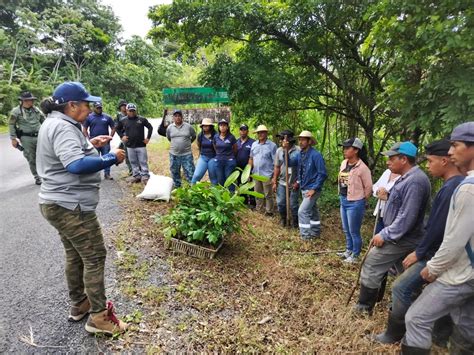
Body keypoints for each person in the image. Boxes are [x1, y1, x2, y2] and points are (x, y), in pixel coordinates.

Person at [37, 81, 128, 335]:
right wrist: (110, 157)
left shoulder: (57, 124)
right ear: (72, 105)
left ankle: (79, 304)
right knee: (95, 255)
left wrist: (93, 145)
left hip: (57, 202)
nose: (91, 107)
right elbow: (75, 165)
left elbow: (71, 154)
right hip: (71, 206)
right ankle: (99, 317)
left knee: (75, 254)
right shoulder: (63, 128)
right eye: (86, 103)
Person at [372, 139, 463, 345]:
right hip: (436, 252)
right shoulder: (450, 185)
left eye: (430, 161)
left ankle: (396, 333)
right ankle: (439, 336)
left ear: (445, 160)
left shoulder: (449, 188)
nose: (428, 166)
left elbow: (436, 228)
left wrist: (419, 253)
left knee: (401, 287)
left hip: (435, 253)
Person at [403, 123, 474, 354]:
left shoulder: (467, 189)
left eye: (455, 145)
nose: (451, 152)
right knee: (466, 325)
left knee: (416, 318)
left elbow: (453, 239)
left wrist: (432, 267)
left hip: (462, 273)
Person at [354, 142, 431, 315]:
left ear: (404, 159)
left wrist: (385, 234)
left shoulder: (415, 181)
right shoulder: (406, 178)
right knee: (405, 273)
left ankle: (364, 308)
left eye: (391, 158)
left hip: (402, 238)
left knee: (372, 263)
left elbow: (407, 217)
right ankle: (403, 308)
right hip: (403, 236)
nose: (388, 162)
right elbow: (401, 207)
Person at [336, 138, 373, 263]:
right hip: (343, 199)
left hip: (355, 202)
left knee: (354, 230)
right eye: (344, 148)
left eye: (347, 148)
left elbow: (368, 187)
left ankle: (355, 255)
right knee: (346, 229)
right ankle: (348, 250)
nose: (344, 150)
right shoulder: (344, 163)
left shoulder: (362, 168)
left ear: (356, 150)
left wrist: (361, 200)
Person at [293, 131, 327, 240]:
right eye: (300, 139)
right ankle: (315, 231)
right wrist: (285, 148)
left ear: (309, 141)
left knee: (302, 211)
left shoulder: (316, 155)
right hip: (304, 187)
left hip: (312, 189)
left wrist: (314, 189)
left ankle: (306, 237)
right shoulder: (300, 154)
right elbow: (290, 161)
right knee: (312, 210)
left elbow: (322, 174)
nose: (301, 142)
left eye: (303, 140)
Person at [8, 91, 45, 185]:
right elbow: (11, 124)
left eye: (32, 100)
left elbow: (44, 121)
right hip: (26, 138)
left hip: (39, 136)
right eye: (30, 100)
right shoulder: (16, 111)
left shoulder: (36, 110)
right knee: (31, 158)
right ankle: (37, 177)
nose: (32, 101)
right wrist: (13, 138)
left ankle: (46, 174)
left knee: (44, 156)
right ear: (24, 100)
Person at [116, 103, 153, 184]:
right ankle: (136, 175)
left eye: (133, 111)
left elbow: (150, 127)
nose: (132, 112)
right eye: (130, 111)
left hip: (141, 145)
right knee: (133, 161)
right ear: (127, 111)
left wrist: (148, 138)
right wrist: (122, 136)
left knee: (143, 161)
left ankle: (145, 175)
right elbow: (117, 128)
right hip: (130, 145)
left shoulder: (142, 119)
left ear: (136, 111)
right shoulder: (123, 120)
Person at [272, 130, 300, 227]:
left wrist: (298, 181)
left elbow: (301, 168)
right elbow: (277, 167)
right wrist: (274, 181)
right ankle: (283, 219)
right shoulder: (279, 151)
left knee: (293, 204)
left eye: (282, 138)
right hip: (282, 182)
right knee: (280, 203)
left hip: (294, 182)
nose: (280, 140)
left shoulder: (298, 151)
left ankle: (295, 223)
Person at [82, 102, 116, 180]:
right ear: (94, 108)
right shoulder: (89, 117)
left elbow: (114, 127)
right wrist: (88, 140)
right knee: (94, 158)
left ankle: (107, 174)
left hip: (105, 142)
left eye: (100, 107)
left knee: (107, 157)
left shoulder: (107, 117)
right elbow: (84, 129)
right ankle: (94, 175)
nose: (99, 109)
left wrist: (110, 137)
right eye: (97, 108)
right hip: (94, 142)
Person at [249, 125, 277, 215]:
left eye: (262, 132)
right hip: (256, 173)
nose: (260, 134)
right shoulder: (254, 144)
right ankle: (259, 209)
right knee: (257, 193)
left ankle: (269, 211)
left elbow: (275, 162)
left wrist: (274, 177)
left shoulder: (272, 146)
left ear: (266, 133)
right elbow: (251, 158)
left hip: (267, 174)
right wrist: (249, 171)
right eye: (259, 133)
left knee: (268, 195)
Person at [166, 109, 196, 187]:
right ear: (173, 118)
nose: (178, 117)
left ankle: (192, 188)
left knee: (190, 172)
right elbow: (169, 138)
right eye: (176, 116)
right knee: (175, 172)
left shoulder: (188, 127)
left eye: (179, 116)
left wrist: (187, 143)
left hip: (187, 154)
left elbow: (194, 136)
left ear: (182, 117)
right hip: (174, 154)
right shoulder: (170, 127)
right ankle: (177, 187)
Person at [372, 169, 400, 234]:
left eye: (392, 159)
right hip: (381, 212)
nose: (388, 162)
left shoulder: (404, 177)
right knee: (377, 236)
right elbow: (375, 186)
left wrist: (387, 196)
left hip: (393, 215)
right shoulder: (387, 172)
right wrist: (378, 191)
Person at [191, 118, 217, 185]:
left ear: (210, 126)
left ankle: (214, 193)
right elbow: (199, 145)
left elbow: (218, 147)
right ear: (202, 126)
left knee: (213, 177)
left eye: (207, 125)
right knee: (196, 175)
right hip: (203, 157)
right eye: (204, 125)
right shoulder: (200, 135)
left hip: (213, 157)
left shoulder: (215, 135)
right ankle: (192, 190)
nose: (205, 127)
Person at [213, 119, 237, 190]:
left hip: (229, 161)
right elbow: (215, 146)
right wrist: (219, 154)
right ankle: (223, 198)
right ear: (219, 127)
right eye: (221, 125)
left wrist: (230, 157)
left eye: (224, 125)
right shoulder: (216, 137)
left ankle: (231, 197)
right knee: (220, 179)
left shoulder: (231, 137)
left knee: (229, 179)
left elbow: (235, 148)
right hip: (219, 160)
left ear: (227, 127)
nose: (222, 127)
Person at [236, 124, 256, 208]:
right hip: (238, 167)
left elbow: (253, 156)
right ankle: (243, 202)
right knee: (240, 184)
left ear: (247, 131)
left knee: (250, 185)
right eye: (241, 130)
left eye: (244, 130)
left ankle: (252, 203)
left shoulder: (253, 142)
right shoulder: (236, 142)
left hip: (249, 168)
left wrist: (249, 169)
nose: (243, 132)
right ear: (239, 131)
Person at [115, 99, 132, 175]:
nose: (124, 107)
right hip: (125, 136)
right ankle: (131, 169)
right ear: (120, 107)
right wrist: (121, 136)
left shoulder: (130, 113)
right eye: (123, 106)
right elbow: (116, 127)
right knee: (127, 154)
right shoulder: (119, 116)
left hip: (132, 136)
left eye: (125, 105)